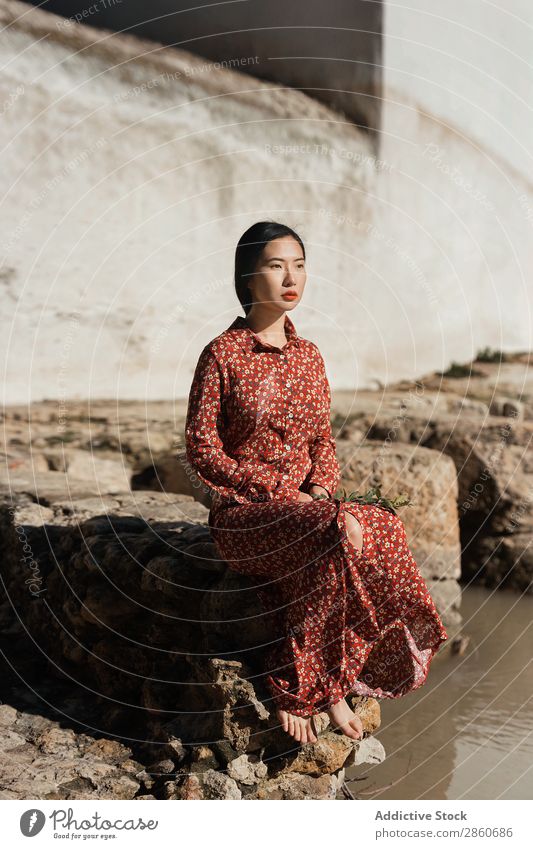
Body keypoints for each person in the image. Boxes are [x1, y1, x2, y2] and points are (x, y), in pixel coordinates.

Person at [184, 220, 448, 745]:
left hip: (309, 507)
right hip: (244, 517)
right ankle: (308, 686)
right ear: (247, 275)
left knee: (380, 524)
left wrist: (323, 492)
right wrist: (276, 490)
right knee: (331, 532)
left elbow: (323, 442)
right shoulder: (223, 354)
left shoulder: (309, 357)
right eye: (276, 265)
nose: (291, 277)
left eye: (300, 265)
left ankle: (353, 661)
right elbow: (201, 448)